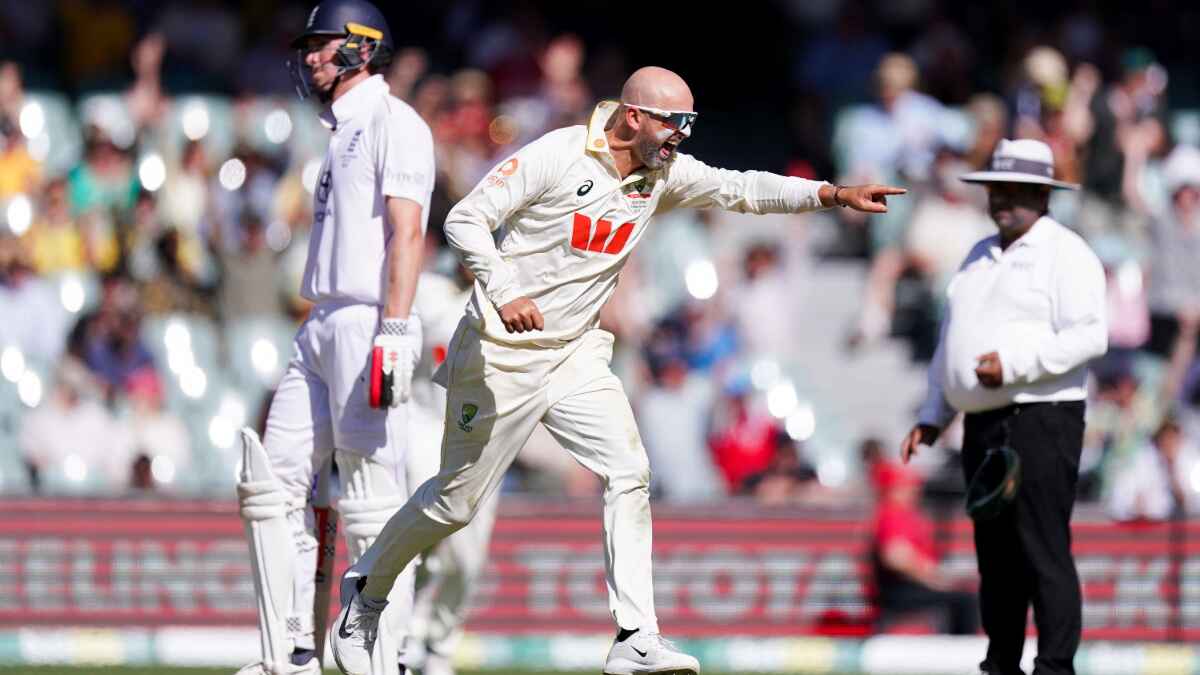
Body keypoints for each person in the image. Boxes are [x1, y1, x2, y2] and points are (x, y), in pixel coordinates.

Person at [330, 65, 904, 675]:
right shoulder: (560, 152)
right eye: (674, 121)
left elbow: (741, 188)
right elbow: (464, 219)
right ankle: (366, 590)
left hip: (575, 353)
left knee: (629, 470)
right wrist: (503, 292)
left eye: (690, 122)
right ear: (634, 116)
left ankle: (634, 635)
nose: (683, 134)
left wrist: (831, 195)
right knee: (454, 505)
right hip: (501, 352)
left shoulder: (661, 173)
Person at [234, 2, 434, 674]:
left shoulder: (393, 122)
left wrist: (397, 330)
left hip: (367, 317)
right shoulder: (336, 132)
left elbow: (407, 231)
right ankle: (290, 651)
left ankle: (386, 656)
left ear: (361, 48)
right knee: (274, 484)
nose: (311, 57)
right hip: (320, 321)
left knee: (372, 495)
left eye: (323, 45)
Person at [900, 138, 1107, 675]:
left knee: (1042, 546)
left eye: (1014, 190)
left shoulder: (1068, 253)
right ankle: (1001, 661)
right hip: (983, 420)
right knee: (995, 552)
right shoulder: (977, 254)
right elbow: (951, 342)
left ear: (1042, 194)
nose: (1001, 200)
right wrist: (933, 414)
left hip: (1042, 415)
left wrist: (1014, 365)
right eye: (996, 188)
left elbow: (1090, 337)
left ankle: (1055, 664)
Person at [870, 462, 979, 635]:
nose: (914, 491)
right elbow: (895, 557)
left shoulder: (904, 514)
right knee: (965, 601)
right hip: (899, 591)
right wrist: (933, 578)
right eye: (908, 486)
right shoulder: (892, 514)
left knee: (963, 597)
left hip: (907, 587)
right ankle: (958, 656)